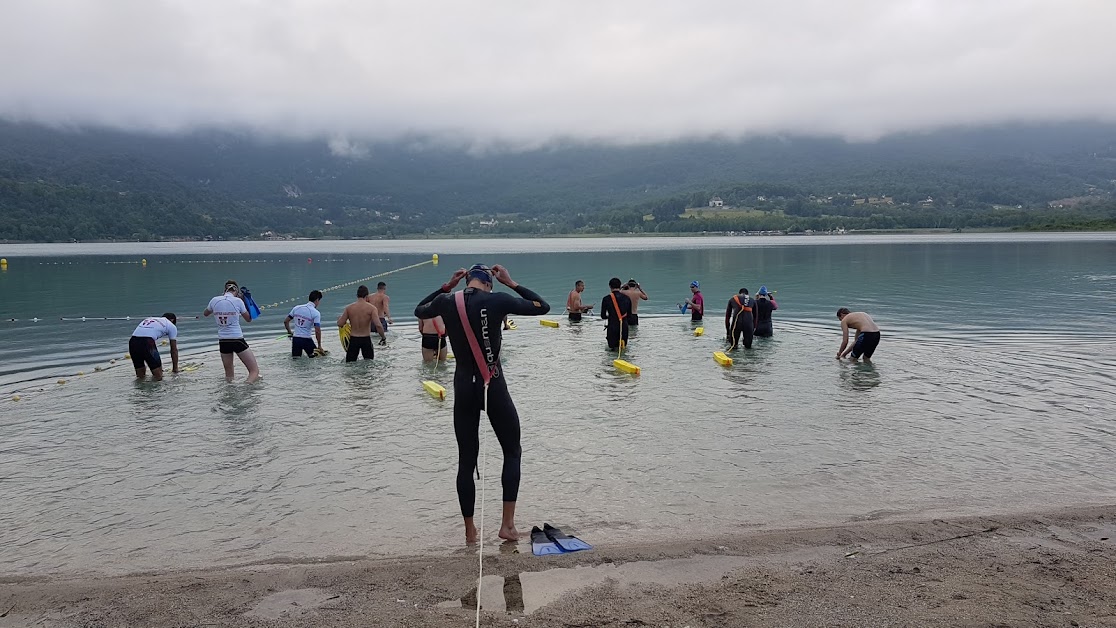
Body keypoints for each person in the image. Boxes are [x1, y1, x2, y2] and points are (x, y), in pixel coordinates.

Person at [413, 264, 550, 544]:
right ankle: (507, 526)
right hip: (493, 383)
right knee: (512, 451)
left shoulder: (446, 301)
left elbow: (419, 309)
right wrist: (511, 283)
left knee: (466, 460)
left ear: (468, 281)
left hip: (463, 386)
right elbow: (542, 306)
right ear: (489, 283)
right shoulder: (497, 299)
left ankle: (470, 532)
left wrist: (447, 286)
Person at [203, 280, 260, 382]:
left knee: (229, 375)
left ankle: (229, 393)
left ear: (224, 290)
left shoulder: (214, 300)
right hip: (237, 339)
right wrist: (245, 303)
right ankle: (247, 388)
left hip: (223, 340)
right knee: (254, 371)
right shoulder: (238, 301)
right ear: (237, 292)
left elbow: (206, 313)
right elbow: (248, 319)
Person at [337, 285, 387, 362]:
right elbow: (378, 325)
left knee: (350, 364)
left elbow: (340, 324)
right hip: (366, 339)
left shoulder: (349, 308)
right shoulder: (372, 308)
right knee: (369, 363)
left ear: (357, 295)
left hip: (353, 340)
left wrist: (339, 319)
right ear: (367, 296)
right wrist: (383, 337)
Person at [128, 313, 179, 381]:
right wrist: (175, 369)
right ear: (172, 320)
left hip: (133, 341)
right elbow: (174, 349)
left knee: (140, 376)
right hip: (147, 342)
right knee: (159, 376)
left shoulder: (149, 319)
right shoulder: (171, 326)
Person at [285, 290, 324, 358]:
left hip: (296, 339)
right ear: (317, 300)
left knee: (296, 360)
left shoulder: (296, 308)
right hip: (306, 339)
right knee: (317, 358)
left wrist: (289, 332)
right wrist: (319, 345)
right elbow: (317, 330)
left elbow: (286, 321)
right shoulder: (316, 313)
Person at [600, 277, 632, 351]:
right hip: (623, 326)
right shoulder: (627, 298)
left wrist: (611, 316)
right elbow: (629, 315)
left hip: (612, 327)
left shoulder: (606, 299)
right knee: (623, 349)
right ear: (620, 286)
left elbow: (603, 316)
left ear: (610, 286)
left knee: (612, 350)